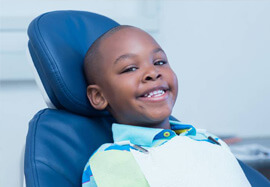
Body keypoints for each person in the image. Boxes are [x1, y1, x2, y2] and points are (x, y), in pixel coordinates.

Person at [82, 25, 251, 187]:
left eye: (159, 62)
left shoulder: (206, 139)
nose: (153, 72)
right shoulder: (113, 161)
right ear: (99, 96)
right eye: (131, 68)